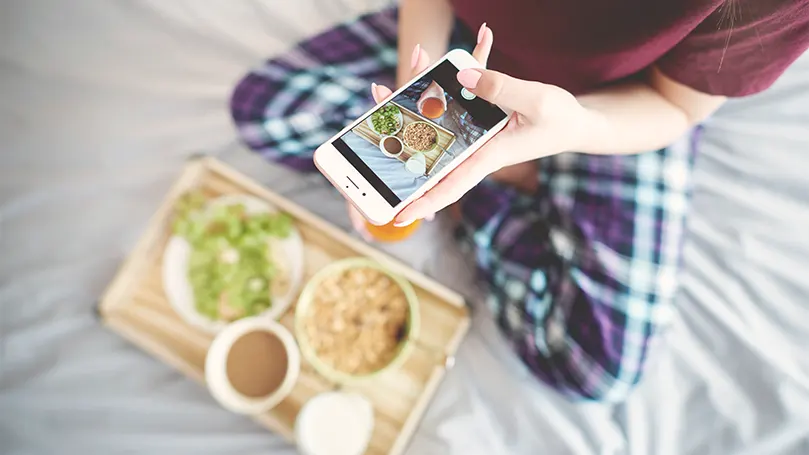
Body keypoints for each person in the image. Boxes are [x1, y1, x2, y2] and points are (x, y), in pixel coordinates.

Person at [231, 0, 809, 402]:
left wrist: (572, 130)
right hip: (467, 65)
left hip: (613, 106)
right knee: (265, 110)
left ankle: (500, 179)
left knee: (594, 362)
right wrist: (421, 79)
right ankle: (495, 180)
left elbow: (675, 106)